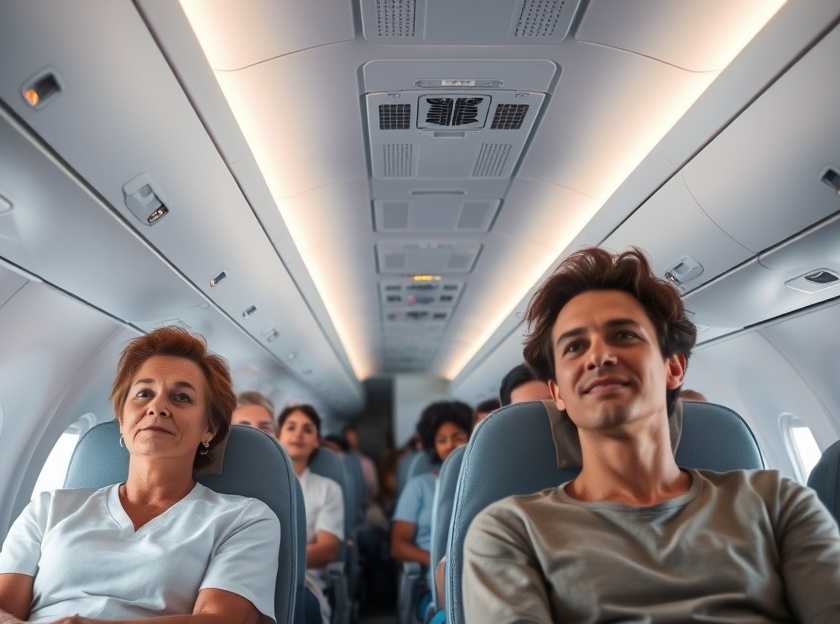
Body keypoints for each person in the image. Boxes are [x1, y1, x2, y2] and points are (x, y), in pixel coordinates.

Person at [462, 247, 840, 622]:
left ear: (674, 367)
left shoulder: (777, 505)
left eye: (624, 335)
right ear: (558, 392)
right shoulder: (511, 533)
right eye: (575, 346)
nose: (599, 357)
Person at [0, 326, 280, 623]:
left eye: (181, 398)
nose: (157, 407)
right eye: (144, 393)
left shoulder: (244, 519)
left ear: (209, 427)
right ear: (122, 419)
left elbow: (221, 620)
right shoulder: (48, 509)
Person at [276, 404, 344, 624]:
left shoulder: (328, 488)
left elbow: (327, 550)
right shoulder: (254, 485)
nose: (298, 434)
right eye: (291, 427)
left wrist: (269, 559)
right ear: (278, 436)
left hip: (303, 581)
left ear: (316, 441)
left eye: (307, 429)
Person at [343, 423, 380, 501]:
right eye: (348, 438)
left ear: (358, 438)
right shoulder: (339, 460)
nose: (350, 441)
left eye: (353, 437)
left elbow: (374, 489)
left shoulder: (367, 462)